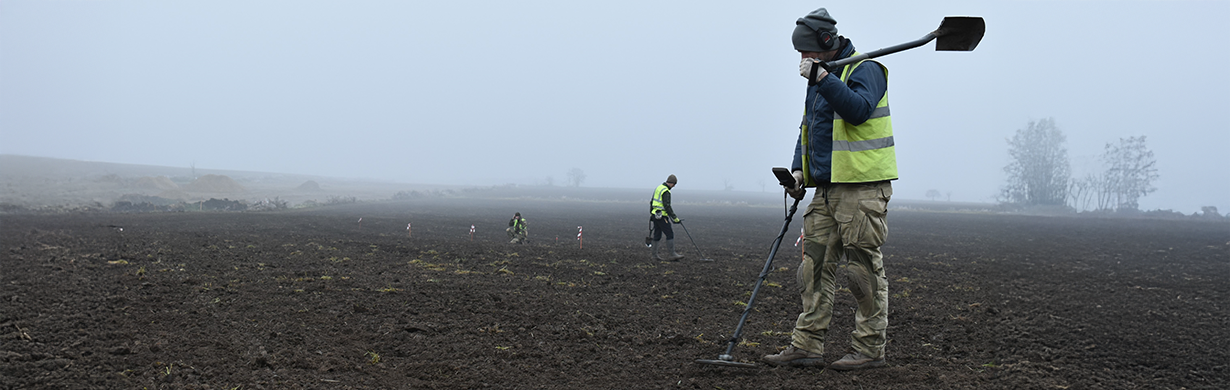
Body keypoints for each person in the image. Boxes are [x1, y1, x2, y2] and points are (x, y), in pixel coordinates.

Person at [762, 7, 894, 372]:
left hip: (861, 190)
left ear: (826, 42)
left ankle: (869, 349)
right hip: (825, 189)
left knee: (862, 272)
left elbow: (858, 111)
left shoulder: (865, 68)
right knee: (813, 268)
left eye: (807, 52)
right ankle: (806, 345)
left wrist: (822, 78)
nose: (803, 60)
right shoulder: (821, 77)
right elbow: (809, 126)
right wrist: (799, 168)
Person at [649, 174, 684, 261]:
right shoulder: (666, 191)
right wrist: (675, 218)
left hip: (655, 215)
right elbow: (667, 206)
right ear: (672, 183)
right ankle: (672, 254)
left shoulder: (659, 188)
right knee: (669, 233)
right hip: (661, 216)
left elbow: (651, 201)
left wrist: (651, 214)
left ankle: (654, 256)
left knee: (657, 234)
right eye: (674, 184)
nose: (674, 186)